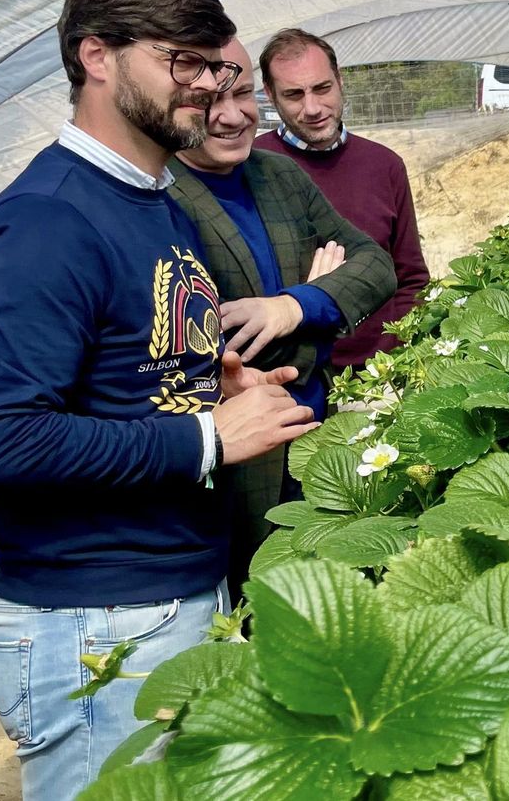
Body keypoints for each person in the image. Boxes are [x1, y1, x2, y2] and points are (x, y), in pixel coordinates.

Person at [0, 0, 318, 800]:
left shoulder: (152, 201)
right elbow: (1, 439)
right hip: (94, 624)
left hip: (164, 599)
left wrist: (210, 387)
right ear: (97, 57)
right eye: (180, 61)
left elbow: (124, 373)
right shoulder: (48, 220)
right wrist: (206, 437)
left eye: (214, 65)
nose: (207, 86)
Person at [169, 38, 396, 595]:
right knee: (249, 600)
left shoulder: (278, 176)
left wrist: (296, 305)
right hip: (235, 452)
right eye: (209, 102)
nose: (231, 116)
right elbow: (216, 347)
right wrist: (323, 313)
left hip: (316, 431)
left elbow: (376, 264)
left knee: (327, 594)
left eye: (243, 94)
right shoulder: (164, 194)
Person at [252, 28, 429, 370]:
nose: (312, 108)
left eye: (322, 88)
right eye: (293, 94)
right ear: (270, 96)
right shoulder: (251, 166)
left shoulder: (384, 165)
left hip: (380, 374)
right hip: (291, 375)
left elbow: (411, 277)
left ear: (340, 80)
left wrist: (397, 352)